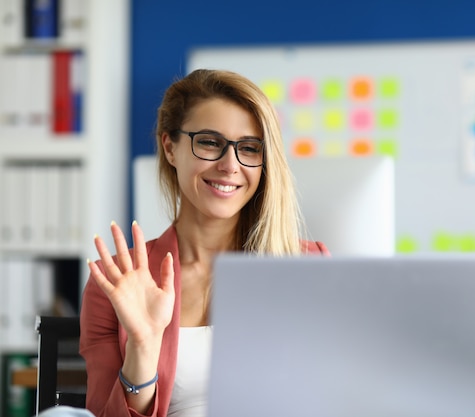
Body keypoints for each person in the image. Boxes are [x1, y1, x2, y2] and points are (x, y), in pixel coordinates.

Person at [79, 69, 330, 417]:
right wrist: (143, 347)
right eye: (210, 142)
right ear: (170, 147)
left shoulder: (307, 266)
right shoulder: (121, 282)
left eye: (250, 148)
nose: (230, 165)